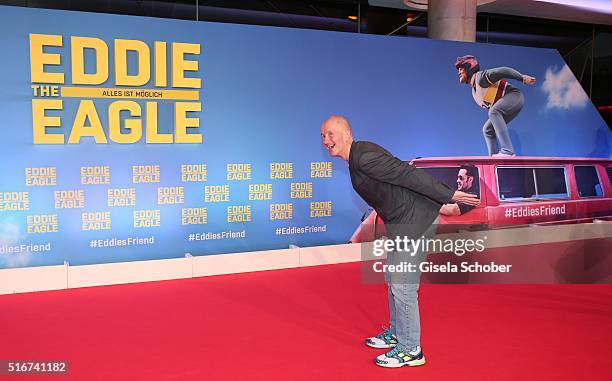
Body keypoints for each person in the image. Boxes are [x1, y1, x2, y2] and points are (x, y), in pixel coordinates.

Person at [320, 115, 479, 368]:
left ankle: (410, 349)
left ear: (347, 134)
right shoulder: (356, 159)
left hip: (415, 221)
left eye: (331, 133)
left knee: (403, 285)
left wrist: (448, 194)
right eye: (323, 136)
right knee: (393, 279)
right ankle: (397, 334)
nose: (326, 140)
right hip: (402, 222)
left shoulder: (363, 156)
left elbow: (406, 173)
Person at [455, 55, 536, 157]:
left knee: (493, 112)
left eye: (461, 69)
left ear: (469, 67)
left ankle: (507, 150)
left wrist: (521, 77)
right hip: (508, 104)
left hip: (515, 96)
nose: (459, 72)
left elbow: (503, 70)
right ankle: (493, 158)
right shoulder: (474, 92)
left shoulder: (481, 78)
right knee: (487, 129)